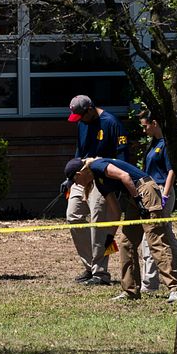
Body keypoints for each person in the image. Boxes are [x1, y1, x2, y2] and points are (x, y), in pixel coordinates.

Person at [64, 156, 177, 302]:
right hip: (134, 197)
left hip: (144, 190)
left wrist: (139, 201)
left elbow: (124, 176)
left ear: (79, 175)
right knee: (126, 244)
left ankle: (175, 288)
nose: (76, 184)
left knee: (155, 240)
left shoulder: (98, 165)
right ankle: (131, 291)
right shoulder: (99, 183)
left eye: (75, 181)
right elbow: (115, 211)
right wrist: (110, 236)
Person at [63, 95, 129, 286]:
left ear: (90, 109)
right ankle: (90, 265)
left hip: (103, 177)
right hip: (81, 175)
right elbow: (79, 151)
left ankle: (100, 273)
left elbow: (122, 157)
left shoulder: (112, 123)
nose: (80, 120)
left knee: (99, 225)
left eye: (81, 115)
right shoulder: (81, 123)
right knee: (73, 216)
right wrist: (70, 178)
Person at [138, 109, 177, 293]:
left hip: (160, 191)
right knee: (166, 235)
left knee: (152, 236)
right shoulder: (153, 144)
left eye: (145, 126)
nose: (143, 130)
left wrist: (165, 195)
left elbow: (171, 171)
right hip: (150, 191)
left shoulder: (166, 144)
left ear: (155, 123)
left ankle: (150, 282)